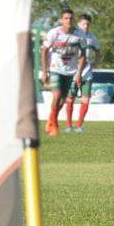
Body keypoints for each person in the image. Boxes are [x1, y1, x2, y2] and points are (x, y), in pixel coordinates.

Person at [41, 8, 86, 137]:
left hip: (70, 71)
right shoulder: (54, 33)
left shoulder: (79, 34)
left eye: (71, 18)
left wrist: (78, 73)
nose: (68, 20)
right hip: (55, 69)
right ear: (61, 20)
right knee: (56, 96)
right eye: (66, 18)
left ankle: (51, 118)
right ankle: (54, 125)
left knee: (62, 101)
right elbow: (44, 51)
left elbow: (83, 55)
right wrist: (45, 71)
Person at [63, 13, 99, 133]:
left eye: (88, 24)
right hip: (73, 73)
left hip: (87, 74)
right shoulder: (74, 35)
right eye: (84, 24)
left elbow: (97, 50)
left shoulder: (92, 37)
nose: (86, 26)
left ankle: (79, 125)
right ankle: (69, 126)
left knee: (86, 100)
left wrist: (96, 63)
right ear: (78, 24)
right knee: (70, 99)